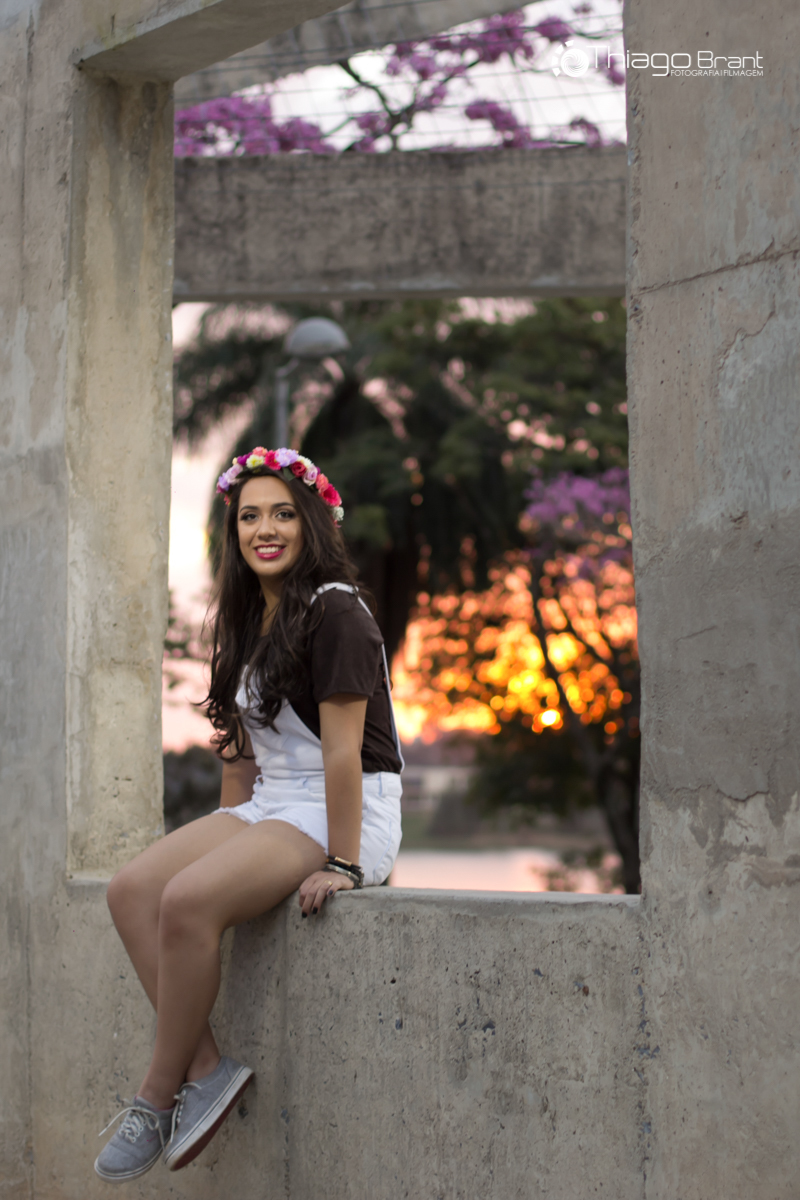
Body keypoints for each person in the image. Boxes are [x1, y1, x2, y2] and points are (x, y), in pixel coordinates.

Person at [94, 447, 403, 1182]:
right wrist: (226, 857)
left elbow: (342, 755)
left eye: (283, 514)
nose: (266, 530)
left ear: (313, 523)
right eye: (249, 517)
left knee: (187, 900)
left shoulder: (337, 612)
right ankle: (207, 1070)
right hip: (272, 804)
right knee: (133, 891)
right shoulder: (241, 619)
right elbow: (239, 760)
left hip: (344, 807)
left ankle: (156, 1096)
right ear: (232, 532)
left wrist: (346, 863)